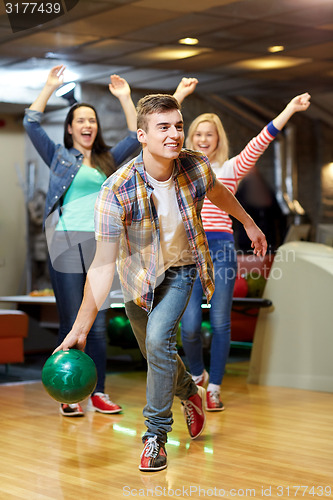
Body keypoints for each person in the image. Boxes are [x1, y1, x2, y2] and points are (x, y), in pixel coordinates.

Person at [54, 92, 267, 471]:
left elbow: (218, 192)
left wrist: (248, 222)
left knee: (157, 341)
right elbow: (102, 266)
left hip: (183, 270)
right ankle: (190, 392)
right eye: (163, 127)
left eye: (178, 126)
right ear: (142, 135)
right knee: (156, 353)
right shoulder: (116, 190)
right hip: (137, 278)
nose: (174, 134)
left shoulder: (194, 166)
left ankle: (155, 437)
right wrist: (80, 328)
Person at [174, 79, 311, 411]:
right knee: (189, 326)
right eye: (198, 134)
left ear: (218, 139)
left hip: (221, 247)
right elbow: (159, 129)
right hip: (188, 250)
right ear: (189, 139)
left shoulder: (230, 168)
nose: (203, 139)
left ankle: (215, 387)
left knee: (220, 320)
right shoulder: (181, 169)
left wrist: (290, 109)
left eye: (210, 134)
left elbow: (262, 140)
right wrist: (178, 97)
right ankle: (198, 374)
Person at [23, 65, 139, 417]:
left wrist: (125, 97)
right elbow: (30, 123)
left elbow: (136, 136)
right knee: (72, 319)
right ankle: (69, 392)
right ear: (71, 127)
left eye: (92, 120)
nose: (88, 125)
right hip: (65, 243)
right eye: (81, 120)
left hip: (100, 244)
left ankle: (98, 391)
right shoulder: (58, 156)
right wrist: (48, 86)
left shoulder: (107, 159)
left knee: (99, 322)